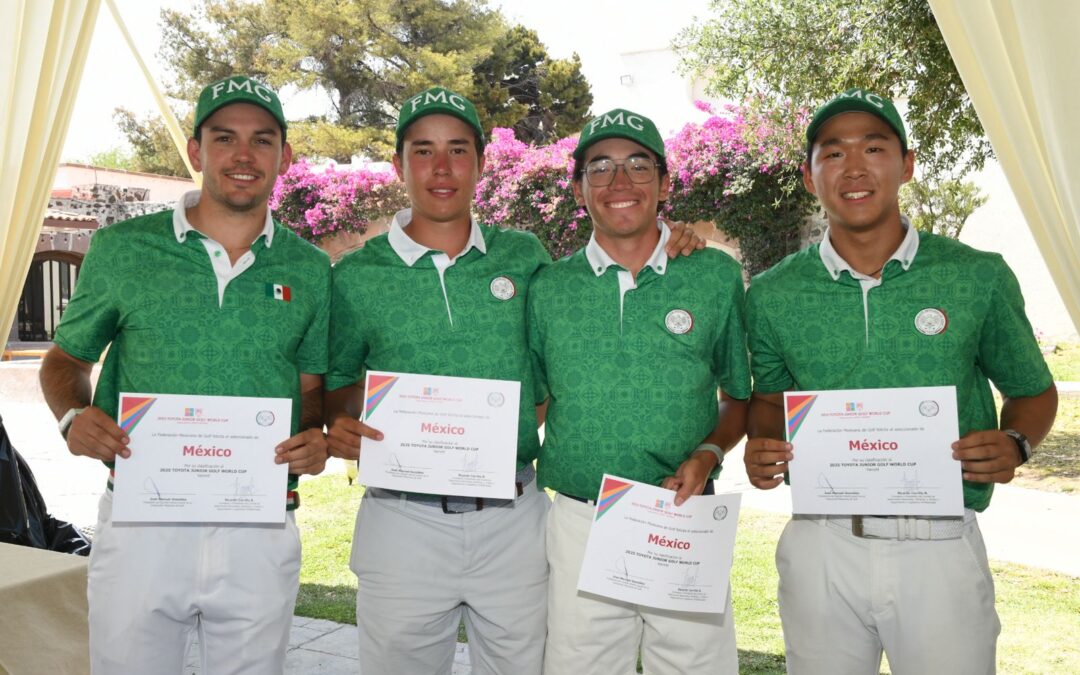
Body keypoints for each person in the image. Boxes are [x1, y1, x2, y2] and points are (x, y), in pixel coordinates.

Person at [324, 88, 704, 674]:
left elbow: (580, 317)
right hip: (401, 520)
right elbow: (340, 382)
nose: (442, 168)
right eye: (423, 152)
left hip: (514, 516)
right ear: (399, 164)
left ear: (480, 162)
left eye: (457, 150)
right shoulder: (354, 274)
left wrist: (672, 238)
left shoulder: (524, 258)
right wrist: (344, 420)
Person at [743, 88, 1058, 674]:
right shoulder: (771, 293)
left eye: (875, 148)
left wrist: (1015, 442)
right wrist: (765, 446)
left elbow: (1033, 390)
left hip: (939, 546)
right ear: (810, 177)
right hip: (822, 543)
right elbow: (769, 399)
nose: (855, 168)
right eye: (832, 154)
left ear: (907, 164)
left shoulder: (976, 277)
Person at [39, 75, 330, 675]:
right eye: (224, 138)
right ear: (197, 151)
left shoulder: (312, 267)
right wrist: (73, 415)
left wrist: (314, 436)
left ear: (285, 157)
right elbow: (65, 361)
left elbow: (309, 389)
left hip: (260, 523)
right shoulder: (124, 249)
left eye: (262, 140)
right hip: (142, 522)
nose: (243, 156)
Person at [527, 109, 751, 674]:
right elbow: (535, 402)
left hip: (681, 517)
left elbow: (740, 396)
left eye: (638, 165)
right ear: (579, 188)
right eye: (600, 167)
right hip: (582, 520)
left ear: (665, 182)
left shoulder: (712, 275)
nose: (619, 183)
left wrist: (709, 452)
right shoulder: (550, 288)